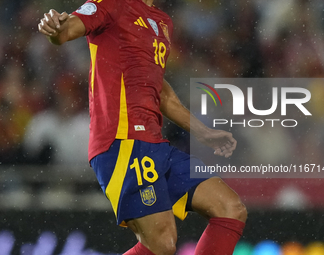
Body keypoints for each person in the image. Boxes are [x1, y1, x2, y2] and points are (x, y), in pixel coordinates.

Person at [38, 0, 247, 254]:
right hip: (121, 141)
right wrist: (54, 27)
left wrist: (206, 134)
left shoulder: (162, 22)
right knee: (163, 244)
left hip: (156, 145)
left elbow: (162, 92)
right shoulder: (113, 4)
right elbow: (66, 31)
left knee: (229, 207)